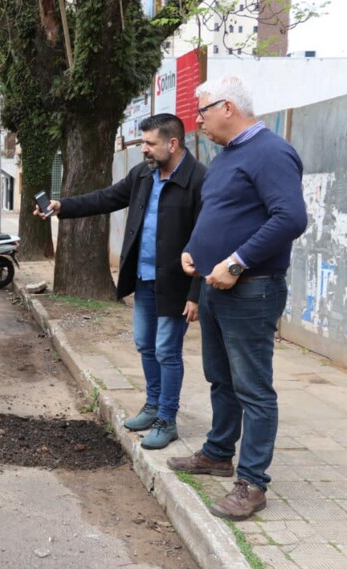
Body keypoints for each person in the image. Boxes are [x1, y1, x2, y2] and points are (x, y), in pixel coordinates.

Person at [168, 76, 307, 521]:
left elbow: (291, 218)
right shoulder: (227, 157)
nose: (197, 121)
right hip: (215, 288)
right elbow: (217, 213)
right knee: (221, 379)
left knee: (253, 388)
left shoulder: (271, 152)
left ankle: (252, 483)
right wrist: (194, 250)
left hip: (251, 289)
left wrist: (236, 262)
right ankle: (217, 453)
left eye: (202, 111)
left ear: (227, 108)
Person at [35, 114, 204, 450]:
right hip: (143, 278)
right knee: (145, 344)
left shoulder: (198, 180)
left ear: (172, 144)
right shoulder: (143, 174)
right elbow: (106, 198)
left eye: (150, 143)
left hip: (176, 283)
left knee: (167, 350)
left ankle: (167, 419)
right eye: (143, 143)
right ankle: (152, 406)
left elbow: (205, 238)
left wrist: (197, 293)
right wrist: (62, 206)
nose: (144, 149)